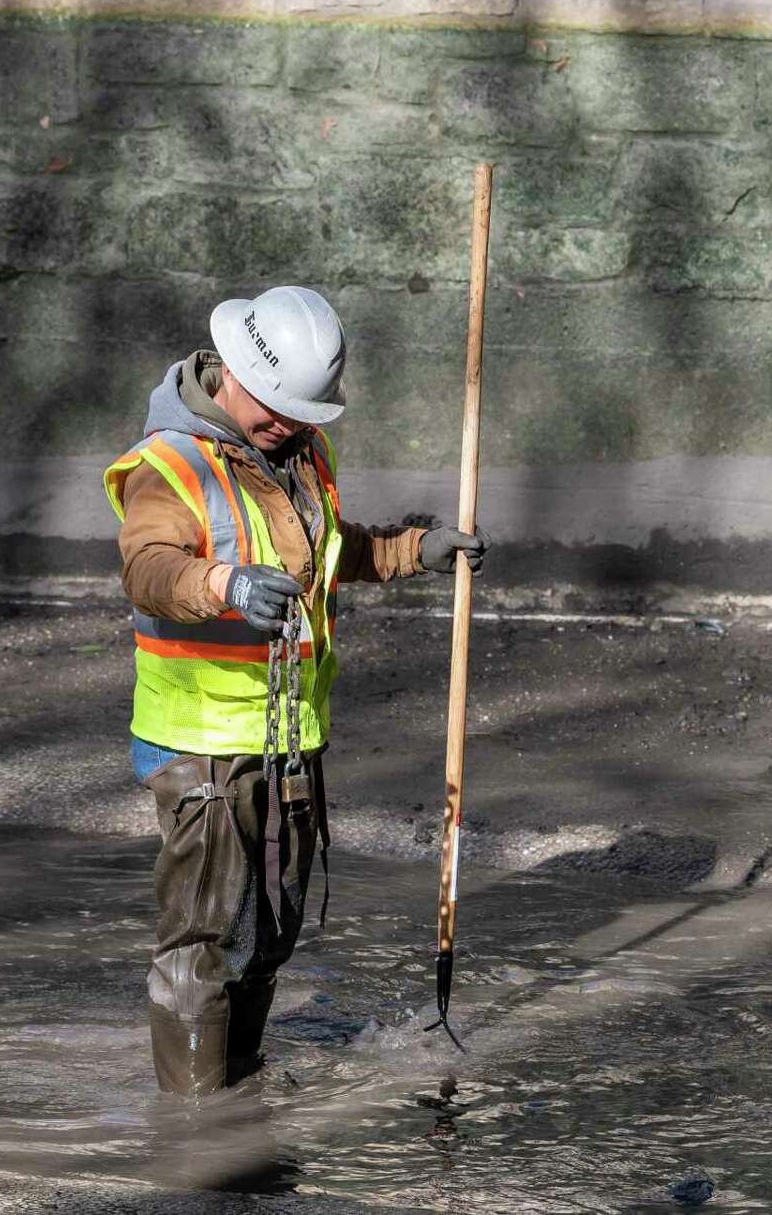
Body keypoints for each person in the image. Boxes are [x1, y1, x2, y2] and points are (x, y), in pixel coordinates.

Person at [104, 285, 487, 1095]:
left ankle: (238, 1076)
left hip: (288, 733)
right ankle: (198, 1123)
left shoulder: (303, 449)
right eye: (276, 408)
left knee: (270, 931)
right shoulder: (167, 465)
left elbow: (326, 551)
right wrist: (224, 582)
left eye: (302, 411)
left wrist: (416, 550)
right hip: (203, 741)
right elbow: (148, 571)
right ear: (233, 370)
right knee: (204, 939)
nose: (288, 422)